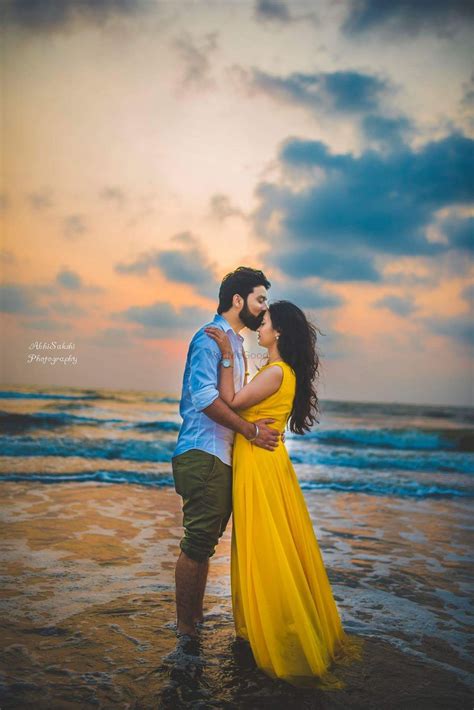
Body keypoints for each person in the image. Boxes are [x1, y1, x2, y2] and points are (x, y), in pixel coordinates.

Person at [205, 300, 345, 686]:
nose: (259, 326)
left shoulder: (277, 371)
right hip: (266, 463)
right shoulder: (279, 371)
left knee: (266, 545)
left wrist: (226, 358)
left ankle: (276, 632)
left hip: (261, 466)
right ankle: (269, 625)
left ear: (278, 331)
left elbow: (231, 402)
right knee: (270, 543)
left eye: (264, 321)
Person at [172, 266, 282, 639]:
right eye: (260, 299)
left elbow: (234, 399)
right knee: (197, 542)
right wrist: (251, 431)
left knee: (205, 545)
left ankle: (194, 623)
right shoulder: (209, 339)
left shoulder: (233, 344)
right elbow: (205, 399)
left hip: (219, 456)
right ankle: (186, 631)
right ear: (238, 300)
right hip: (204, 452)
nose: (264, 308)